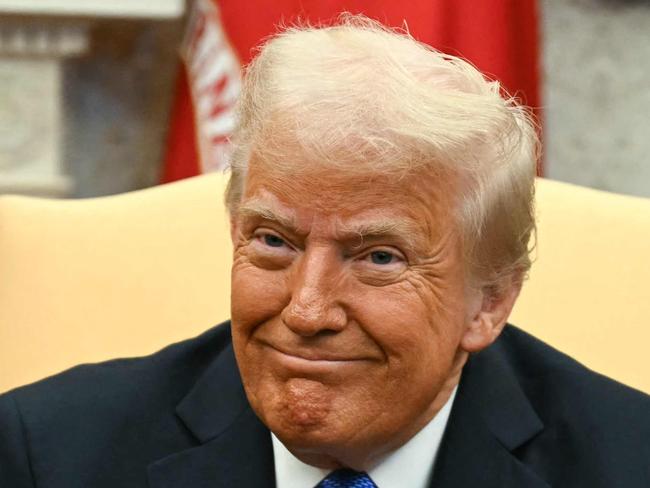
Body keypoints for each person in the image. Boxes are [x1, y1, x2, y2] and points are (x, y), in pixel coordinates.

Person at [1, 16, 649, 488]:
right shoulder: (50, 454)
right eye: (274, 241)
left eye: (378, 257)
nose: (307, 310)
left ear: (490, 301)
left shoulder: (625, 462)